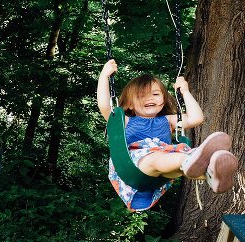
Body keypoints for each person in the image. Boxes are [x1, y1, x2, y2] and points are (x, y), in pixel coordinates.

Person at [97, 59, 239, 211]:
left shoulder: (168, 120)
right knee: (157, 158)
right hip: (136, 163)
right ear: (130, 104)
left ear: (163, 100)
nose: (150, 98)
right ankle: (193, 159)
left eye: (155, 94)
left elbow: (196, 118)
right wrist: (104, 75)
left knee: (178, 162)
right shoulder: (124, 121)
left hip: (165, 166)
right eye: (141, 95)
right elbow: (105, 105)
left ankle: (212, 172)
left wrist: (185, 92)